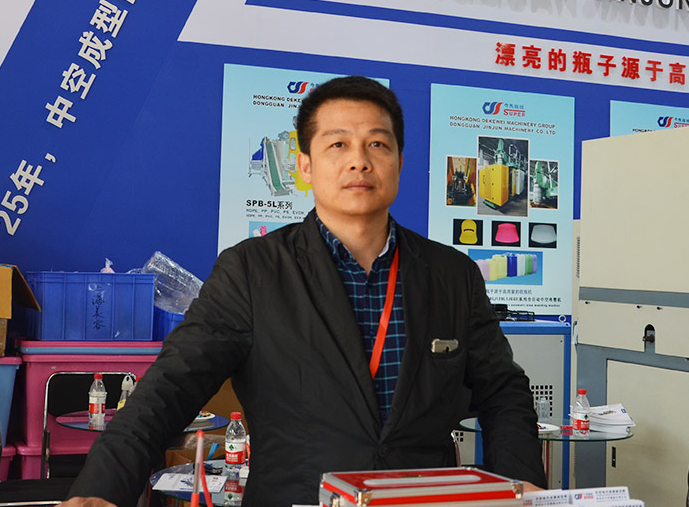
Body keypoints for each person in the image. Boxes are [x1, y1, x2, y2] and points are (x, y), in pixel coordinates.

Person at [61, 76, 546, 507]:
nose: (359, 161)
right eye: (338, 144)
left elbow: (502, 390)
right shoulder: (252, 270)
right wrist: (103, 488)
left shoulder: (452, 274)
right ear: (306, 165)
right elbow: (172, 386)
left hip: (421, 501)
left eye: (378, 144)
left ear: (399, 161)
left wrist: (521, 484)